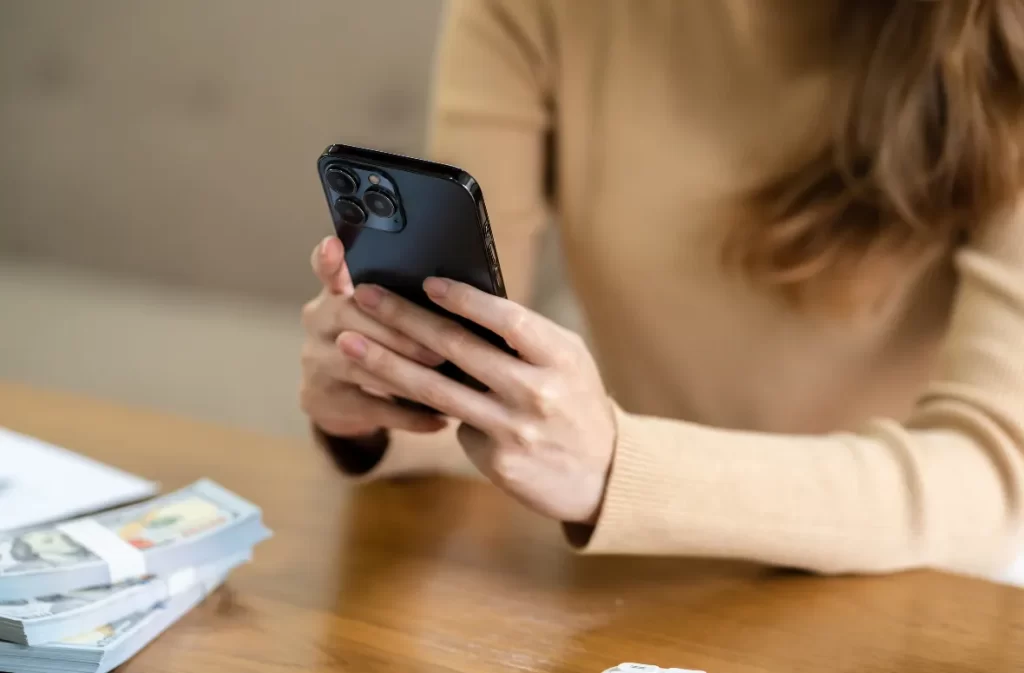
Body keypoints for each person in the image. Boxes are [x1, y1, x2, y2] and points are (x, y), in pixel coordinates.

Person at [299, 0, 1024, 579]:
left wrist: (621, 467)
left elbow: (994, 482)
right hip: (642, 574)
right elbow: (487, 388)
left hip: (917, 587)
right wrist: (382, 392)